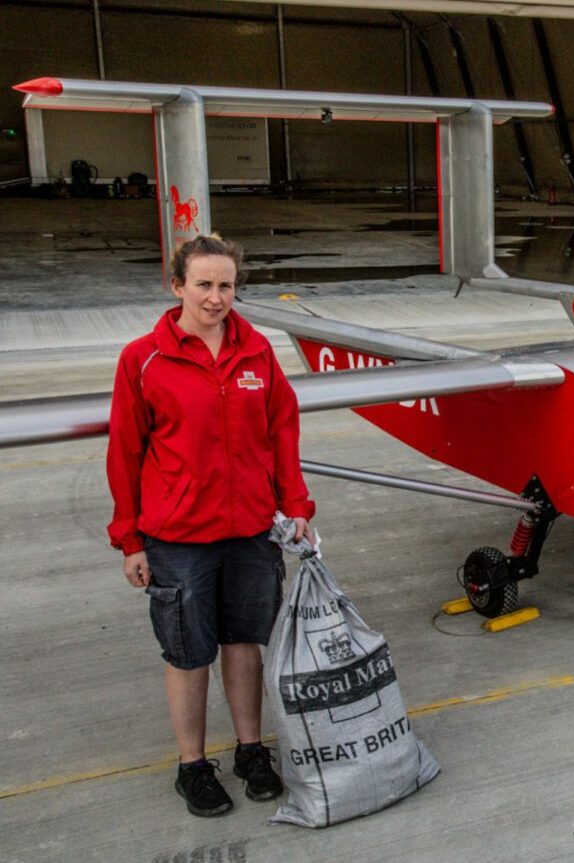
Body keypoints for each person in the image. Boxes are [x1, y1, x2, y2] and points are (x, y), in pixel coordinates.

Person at [107, 234, 316, 817]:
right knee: (188, 654)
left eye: (226, 285)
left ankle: (251, 752)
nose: (216, 297)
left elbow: (283, 433)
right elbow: (124, 452)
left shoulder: (257, 353)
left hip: (250, 529)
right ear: (177, 286)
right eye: (203, 284)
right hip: (177, 539)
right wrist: (129, 539)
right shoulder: (143, 358)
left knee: (244, 642)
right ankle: (193, 765)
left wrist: (296, 505)